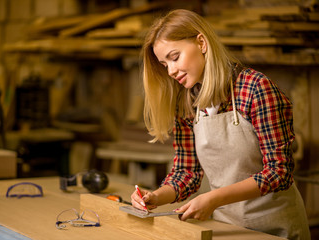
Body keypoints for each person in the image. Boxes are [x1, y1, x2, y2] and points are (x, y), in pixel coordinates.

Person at [130, 9, 310, 239]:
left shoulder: (256, 89)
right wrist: (155, 196)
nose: (171, 71)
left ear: (202, 43)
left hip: (276, 227)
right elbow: (187, 173)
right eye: (164, 65)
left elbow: (279, 172)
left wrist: (213, 199)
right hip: (227, 229)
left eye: (174, 57)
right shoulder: (186, 102)